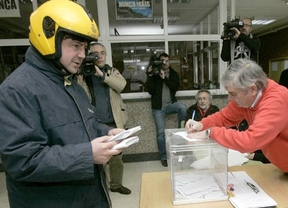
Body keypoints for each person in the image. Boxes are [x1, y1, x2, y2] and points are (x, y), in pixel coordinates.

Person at [0, 1, 125, 207]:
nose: (83, 55)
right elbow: (22, 161)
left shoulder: (71, 83)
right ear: (48, 39)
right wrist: (87, 154)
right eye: (75, 46)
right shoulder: (16, 90)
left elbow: (87, 125)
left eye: (84, 47)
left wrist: (107, 133)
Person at [185, 58, 288, 173]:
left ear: (253, 89)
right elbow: (224, 117)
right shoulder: (247, 97)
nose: (229, 98)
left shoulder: (276, 101)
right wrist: (201, 124)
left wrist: (211, 132)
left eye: (233, 94)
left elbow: (249, 141)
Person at [76, 42, 131, 195]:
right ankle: (101, 187)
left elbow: (121, 85)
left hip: (114, 121)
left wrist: (102, 75)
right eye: (95, 53)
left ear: (106, 55)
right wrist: (81, 76)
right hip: (95, 123)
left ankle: (116, 185)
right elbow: (78, 93)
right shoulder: (84, 73)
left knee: (117, 157)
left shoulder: (111, 71)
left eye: (102, 53)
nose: (99, 56)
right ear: (89, 56)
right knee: (100, 159)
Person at [146, 53, 187, 167]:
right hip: (158, 108)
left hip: (171, 105)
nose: (165, 63)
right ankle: (163, 157)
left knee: (182, 107)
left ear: (169, 62)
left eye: (167, 61)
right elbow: (150, 91)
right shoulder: (154, 74)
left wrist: (165, 79)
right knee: (160, 133)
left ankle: (181, 129)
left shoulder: (173, 73)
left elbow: (176, 87)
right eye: (162, 61)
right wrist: (150, 75)